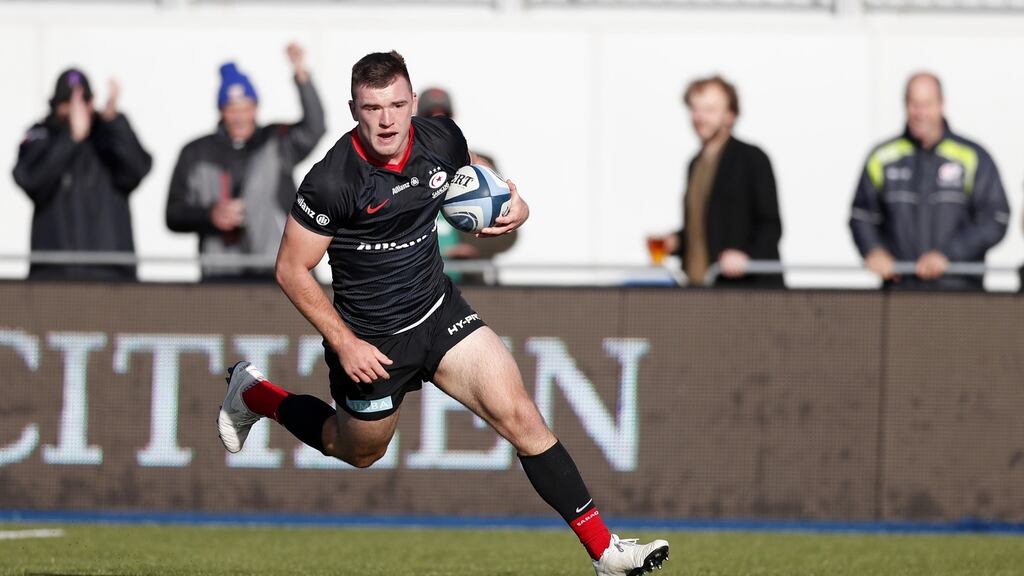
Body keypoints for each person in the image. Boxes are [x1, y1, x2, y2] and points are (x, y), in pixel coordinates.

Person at [217, 51, 669, 575]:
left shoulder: (441, 138)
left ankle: (605, 552)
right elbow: (292, 270)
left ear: (412, 102)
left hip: (437, 311)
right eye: (371, 107)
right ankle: (254, 394)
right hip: (371, 342)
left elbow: (478, 191)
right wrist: (345, 343)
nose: (386, 119)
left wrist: (513, 210)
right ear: (352, 109)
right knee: (357, 450)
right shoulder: (331, 182)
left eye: (396, 104)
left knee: (521, 416)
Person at [166, 43, 326, 281]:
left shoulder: (274, 141)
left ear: (256, 108)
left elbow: (314, 128)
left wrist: (302, 76)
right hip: (221, 276)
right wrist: (210, 215)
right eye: (232, 109)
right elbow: (173, 214)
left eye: (246, 108)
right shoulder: (196, 152)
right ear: (221, 110)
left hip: (279, 271)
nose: (240, 117)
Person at [850, 72, 1009, 291]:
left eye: (926, 104)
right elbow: (861, 215)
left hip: (960, 293)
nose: (919, 113)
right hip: (900, 293)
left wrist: (949, 255)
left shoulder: (972, 157)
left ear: (941, 104)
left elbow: (995, 218)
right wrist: (874, 250)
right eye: (913, 104)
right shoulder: (883, 157)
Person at [13, 68, 152, 281]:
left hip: (111, 274)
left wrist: (114, 121)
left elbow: (137, 169)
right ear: (56, 105)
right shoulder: (42, 136)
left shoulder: (107, 135)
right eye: (69, 103)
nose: (76, 109)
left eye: (83, 101)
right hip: (54, 274)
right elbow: (30, 180)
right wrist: (71, 139)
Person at [650, 75, 783, 288]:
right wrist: (676, 241)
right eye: (695, 109)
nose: (700, 117)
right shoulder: (695, 164)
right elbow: (705, 228)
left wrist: (747, 257)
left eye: (709, 110)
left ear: (730, 115)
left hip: (746, 292)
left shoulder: (751, 159)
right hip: (700, 289)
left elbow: (770, 225)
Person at [417, 86, 517, 285]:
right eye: (430, 116)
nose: (439, 123)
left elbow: (509, 232)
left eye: (445, 116)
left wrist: (474, 250)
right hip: (420, 283)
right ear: (417, 119)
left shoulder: (479, 164)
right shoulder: (403, 169)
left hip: (471, 282)